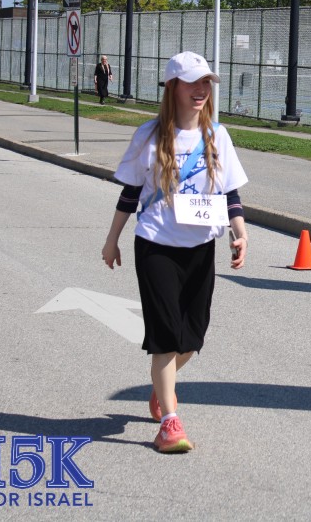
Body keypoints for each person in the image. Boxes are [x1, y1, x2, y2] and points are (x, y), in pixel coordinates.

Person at [101, 50, 249, 454]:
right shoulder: (149, 136)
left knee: (192, 337)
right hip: (156, 246)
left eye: (206, 83)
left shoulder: (217, 135)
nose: (201, 90)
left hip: (200, 247)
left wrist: (240, 233)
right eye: (193, 82)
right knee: (166, 337)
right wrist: (112, 239)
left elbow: (230, 194)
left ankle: (160, 387)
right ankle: (169, 422)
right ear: (173, 87)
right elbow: (130, 193)